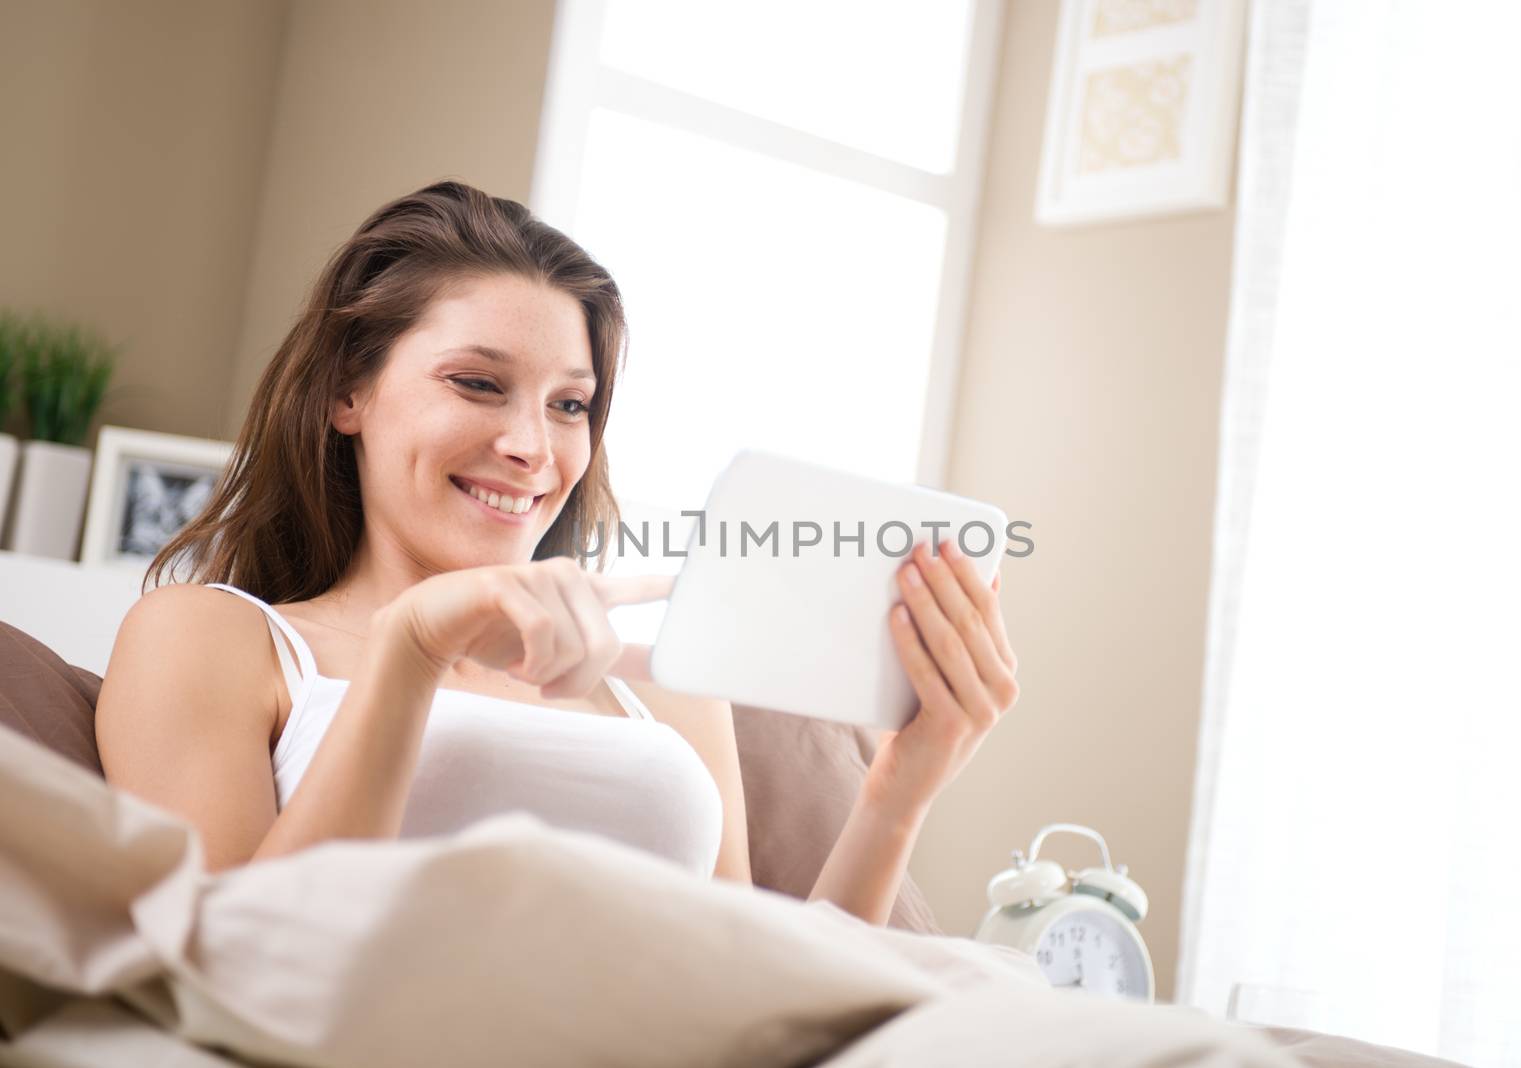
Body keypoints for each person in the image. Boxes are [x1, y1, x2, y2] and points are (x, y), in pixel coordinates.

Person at [94, 180, 1020, 927]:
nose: (534, 449)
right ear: (348, 391)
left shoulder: (667, 688)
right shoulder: (209, 638)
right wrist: (409, 654)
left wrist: (898, 794)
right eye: (478, 384)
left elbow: (756, 996)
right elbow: (229, 974)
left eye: (570, 405)